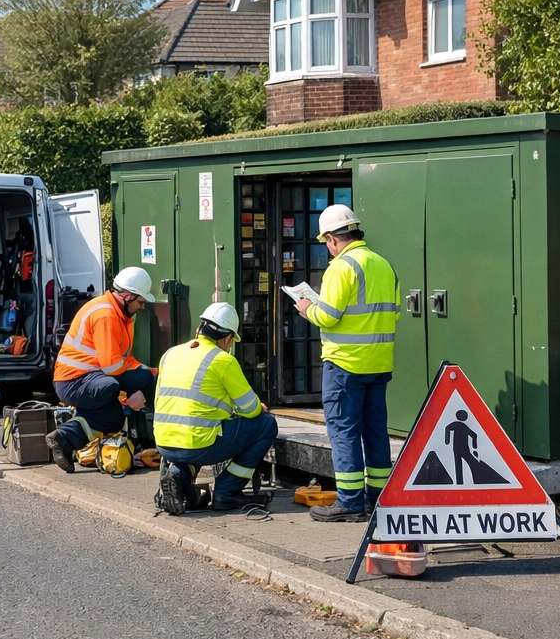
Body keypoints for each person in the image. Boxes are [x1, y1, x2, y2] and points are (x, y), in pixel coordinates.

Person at [293, 204, 400, 522]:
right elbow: (391, 314)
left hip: (344, 365)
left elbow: (327, 315)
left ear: (331, 238)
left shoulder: (342, 267)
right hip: (378, 364)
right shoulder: (383, 265)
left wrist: (305, 308)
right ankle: (379, 499)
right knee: (376, 432)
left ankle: (351, 502)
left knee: (343, 432)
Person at [153, 302, 278, 514]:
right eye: (231, 342)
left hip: (164, 442)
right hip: (200, 442)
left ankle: (178, 475)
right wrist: (256, 407)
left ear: (198, 330)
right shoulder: (222, 359)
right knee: (266, 424)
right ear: (227, 338)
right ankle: (227, 492)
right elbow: (250, 409)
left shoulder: (170, 354)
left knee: (194, 441)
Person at [44, 266, 159, 472]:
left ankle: (64, 438)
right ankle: (143, 432)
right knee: (111, 385)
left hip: (89, 379)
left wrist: (147, 373)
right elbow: (112, 366)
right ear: (127, 296)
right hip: (74, 382)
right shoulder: (106, 315)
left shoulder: (118, 314)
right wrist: (127, 397)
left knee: (113, 417)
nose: (142, 307)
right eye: (140, 302)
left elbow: (125, 359)